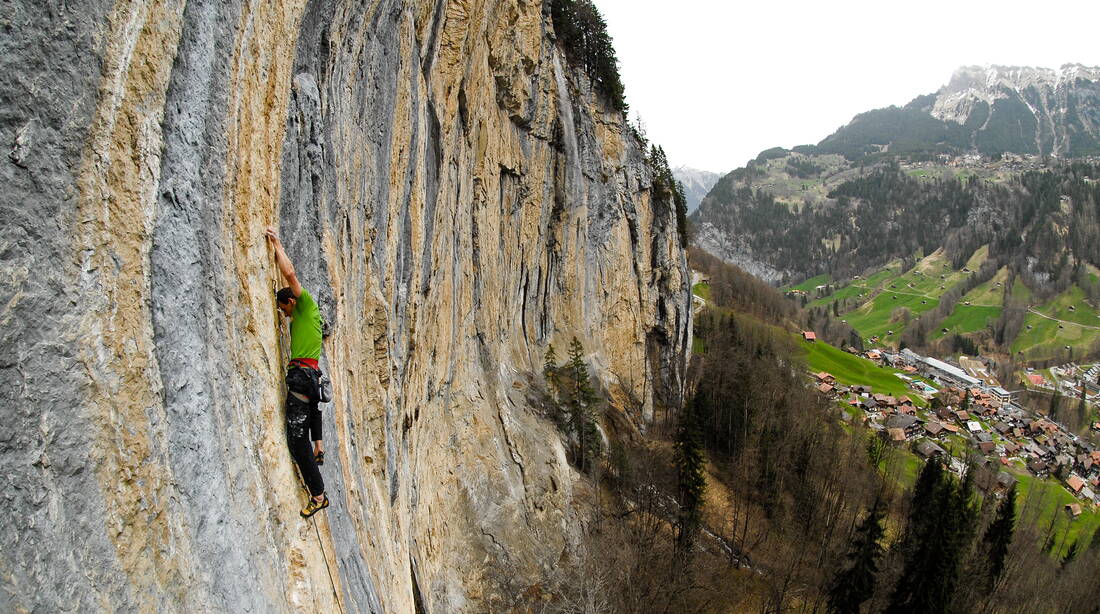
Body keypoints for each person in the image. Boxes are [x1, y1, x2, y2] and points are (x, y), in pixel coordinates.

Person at [266, 226, 329, 518]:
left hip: (302, 379)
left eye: (283, 310)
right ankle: (318, 449)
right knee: (310, 426)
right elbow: (316, 409)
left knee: (295, 440)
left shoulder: (303, 305)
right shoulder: (313, 317)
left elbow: (290, 275)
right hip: (311, 378)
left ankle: (318, 495)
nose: (284, 315)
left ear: (290, 301)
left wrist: (277, 244)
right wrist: (320, 442)